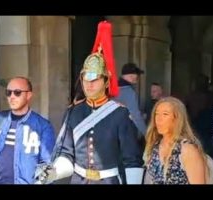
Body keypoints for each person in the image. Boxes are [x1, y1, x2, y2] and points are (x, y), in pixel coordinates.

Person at [36, 21, 144, 185]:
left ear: (106, 81)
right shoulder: (74, 112)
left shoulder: (120, 114)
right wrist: (55, 171)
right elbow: (67, 153)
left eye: (95, 79)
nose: (89, 84)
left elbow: (131, 159)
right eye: (86, 78)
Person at [0, 76, 56, 184]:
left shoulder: (43, 126)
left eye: (17, 92)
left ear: (28, 95)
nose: (12, 96)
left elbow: (48, 165)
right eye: (9, 93)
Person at [143, 97, 206, 184]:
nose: (159, 119)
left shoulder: (187, 150)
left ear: (177, 119)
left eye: (165, 114)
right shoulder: (155, 146)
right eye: (156, 114)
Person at [115, 63, 146, 137]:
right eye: (137, 74)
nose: (138, 77)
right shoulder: (129, 92)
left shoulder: (112, 89)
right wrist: (147, 134)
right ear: (131, 76)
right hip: (124, 132)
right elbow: (135, 116)